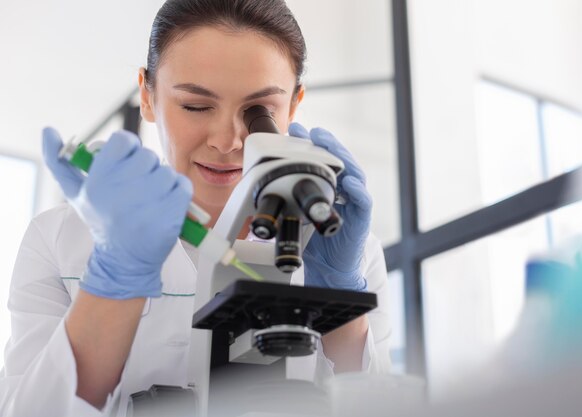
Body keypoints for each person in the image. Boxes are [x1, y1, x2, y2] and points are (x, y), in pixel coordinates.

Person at [0, 0, 391, 416]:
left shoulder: (347, 252)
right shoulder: (60, 240)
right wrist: (114, 283)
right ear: (147, 96)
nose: (227, 141)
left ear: (293, 107)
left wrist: (341, 308)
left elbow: (377, 409)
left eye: (260, 112)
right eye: (196, 106)